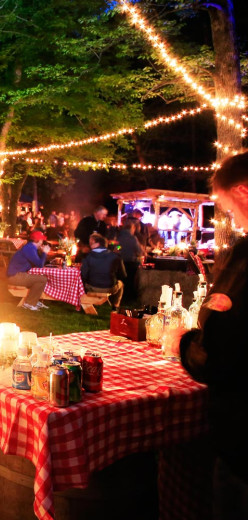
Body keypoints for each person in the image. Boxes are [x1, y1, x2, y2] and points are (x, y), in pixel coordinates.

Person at [178, 152, 248, 519]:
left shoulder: (246, 257)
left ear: (244, 192)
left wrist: (184, 343)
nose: (230, 218)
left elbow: (219, 355)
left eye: (228, 208)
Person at [6, 230, 50, 311]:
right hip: (15, 276)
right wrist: (44, 253)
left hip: (18, 274)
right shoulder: (29, 248)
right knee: (42, 279)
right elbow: (40, 265)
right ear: (38, 241)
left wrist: (42, 252)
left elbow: (38, 262)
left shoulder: (31, 247)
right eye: (42, 240)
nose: (43, 241)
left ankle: (34, 300)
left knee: (42, 278)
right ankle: (29, 303)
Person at [80, 233, 126, 310]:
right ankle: (115, 306)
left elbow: (83, 275)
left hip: (92, 287)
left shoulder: (88, 256)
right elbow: (123, 275)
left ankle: (86, 302)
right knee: (121, 284)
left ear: (96, 243)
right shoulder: (115, 256)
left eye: (91, 243)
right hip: (109, 287)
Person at [117, 221, 144, 302]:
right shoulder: (133, 239)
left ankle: (122, 295)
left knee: (121, 278)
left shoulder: (118, 237)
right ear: (132, 229)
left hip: (120, 261)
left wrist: (120, 249)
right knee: (131, 280)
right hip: (131, 262)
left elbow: (117, 247)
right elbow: (139, 251)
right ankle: (130, 297)